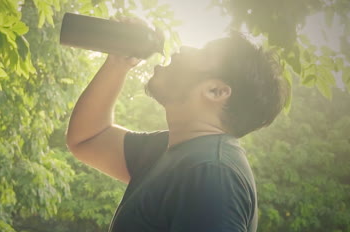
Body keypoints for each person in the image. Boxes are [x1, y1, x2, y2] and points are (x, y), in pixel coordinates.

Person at [66, 27, 289, 231]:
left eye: (203, 54)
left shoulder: (213, 173)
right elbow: (88, 138)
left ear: (215, 91)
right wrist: (118, 63)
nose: (184, 48)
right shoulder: (169, 149)